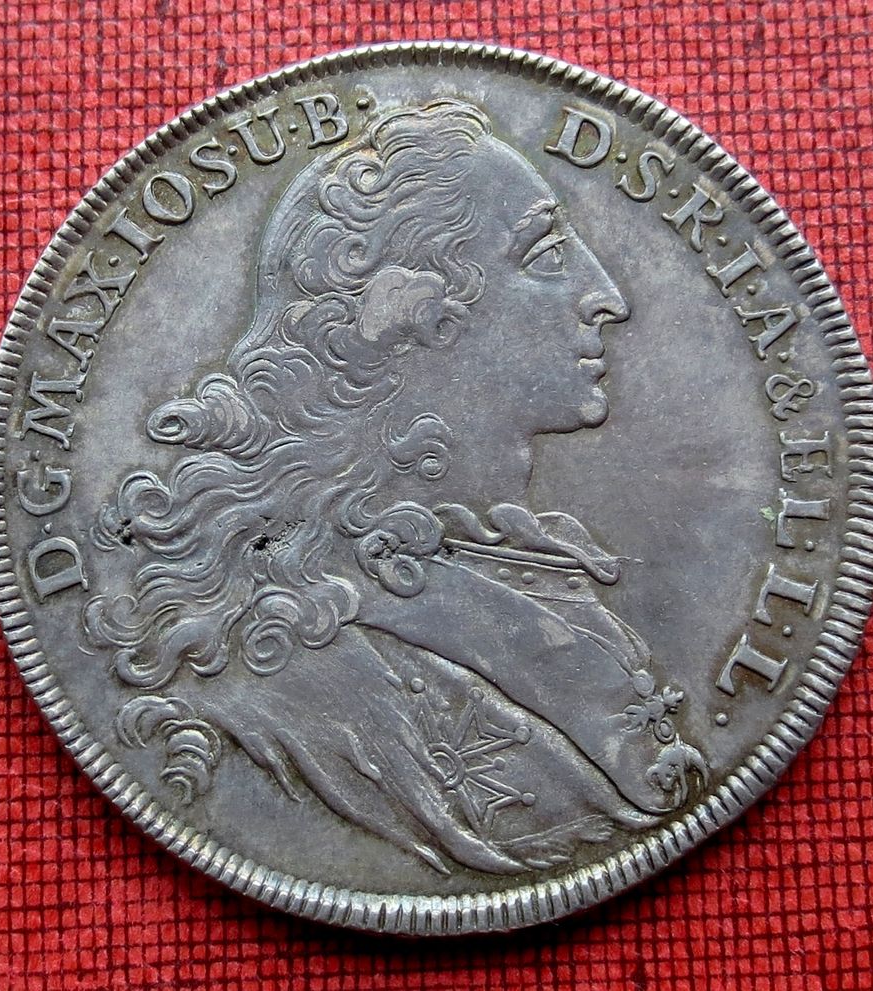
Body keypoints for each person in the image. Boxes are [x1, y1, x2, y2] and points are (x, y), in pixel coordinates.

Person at [83, 99, 705, 875]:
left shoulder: (524, 568)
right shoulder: (308, 654)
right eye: (547, 253)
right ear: (412, 310)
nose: (607, 293)